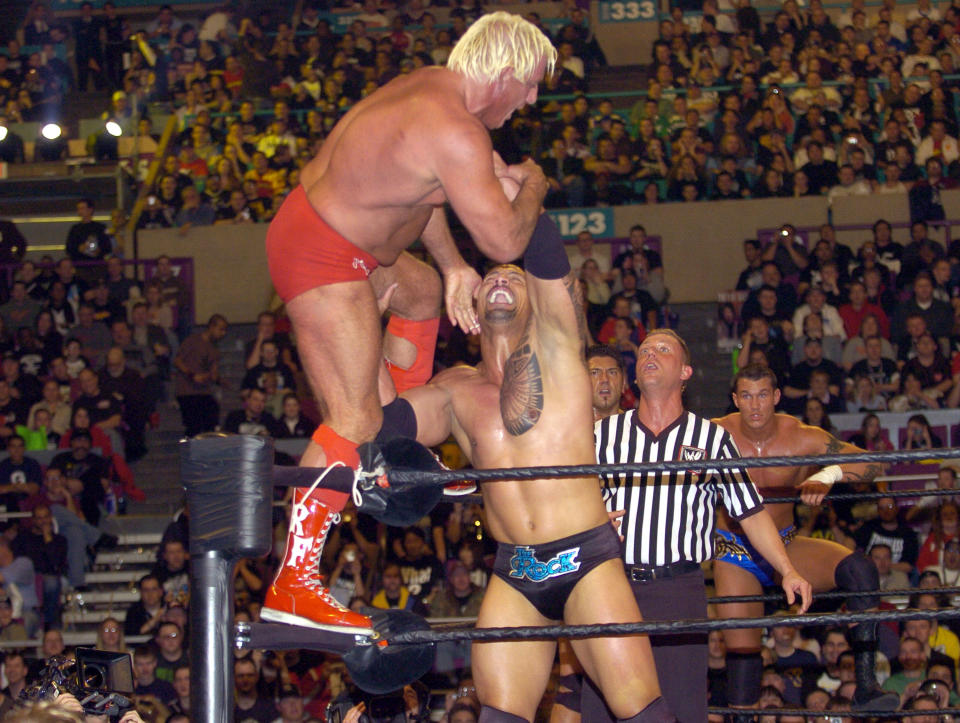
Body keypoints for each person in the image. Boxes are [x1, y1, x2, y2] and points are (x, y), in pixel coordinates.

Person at [261, 11, 556, 634]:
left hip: (346, 245)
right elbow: (505, 234)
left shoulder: (432, 93)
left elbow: (424, 195)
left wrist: (451, 268)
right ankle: (295, 582)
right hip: (323, 254)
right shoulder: (454, 128)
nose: (532, 98)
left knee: (421, 292)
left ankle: (394, 448)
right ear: (504, 71)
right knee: (351, 417)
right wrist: (533, 184)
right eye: (530, 84)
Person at [403, 217, 677, 720]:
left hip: (587, 560)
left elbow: (547, 249)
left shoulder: (560, 351)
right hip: (516, 571)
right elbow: (383, 425)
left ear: (534, 299)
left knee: (641, 711)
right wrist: (384, 298)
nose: (502, 280)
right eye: (491, 278)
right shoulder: (453, 390)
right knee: (499, 715)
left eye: (514, 276)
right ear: (468, 303)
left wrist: (513, 199)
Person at [586, 331, 810, 723]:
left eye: (662, 349)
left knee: (681, 707)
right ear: (635, 375)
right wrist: (587, 518)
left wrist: (787, 569)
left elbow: (750, 511)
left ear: (685, 371)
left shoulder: (711, 438)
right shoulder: (603, 434)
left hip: (677, 587)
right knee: (602, 708)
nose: (650, 354)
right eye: (644, 351)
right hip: (610, 586)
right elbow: (567, 502)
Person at [712, 363, 899, 712]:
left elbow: (875, 463)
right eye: (747, 396)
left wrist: (829, 473)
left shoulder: (800, 436)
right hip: (734, 550)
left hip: (785, 543)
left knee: (860, 570)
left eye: (763, 395)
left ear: (777, 397)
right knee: (743, 649)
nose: (755, 406)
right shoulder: (713, 435)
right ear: (736, 399)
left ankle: (867, 687)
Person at [173, 315, 227, 437]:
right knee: (194, 424)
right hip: (187, 390)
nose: (223, 333)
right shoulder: (193, 341)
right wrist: (192, 375)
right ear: (212, 327)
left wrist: (218, 379)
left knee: (212, 413)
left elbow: (214, 372)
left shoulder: (214, 349)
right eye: (221, 329)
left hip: (203, 391)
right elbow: (177, 361)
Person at [588, 344, 629, 421]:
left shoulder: (636, 429)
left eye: (612, 372)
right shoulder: (566, 428)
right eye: (595, 373)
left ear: (624, 382)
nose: (604, 380)